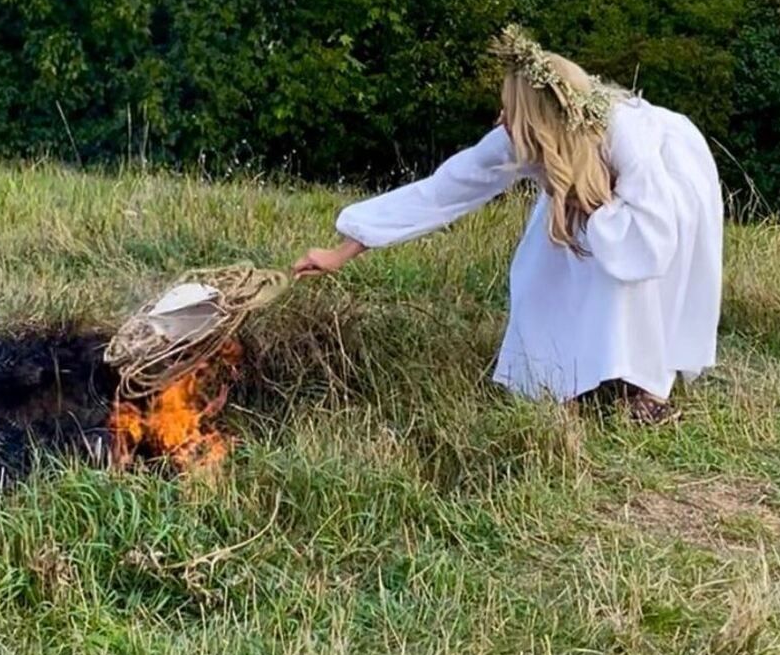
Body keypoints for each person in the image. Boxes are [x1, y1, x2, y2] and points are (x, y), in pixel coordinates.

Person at [292, 25, 723, 424]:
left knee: (623, 275)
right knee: (539, 270)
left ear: (540, 119)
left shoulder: (626, 134)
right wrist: (343, 250)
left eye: (511, 107)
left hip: (664, 199)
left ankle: (646, 388)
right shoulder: (518, 137)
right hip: (581, 194)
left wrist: (589, 205)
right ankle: (555, 380)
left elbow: (649, 242)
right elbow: (444, 190)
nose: (501, 116)